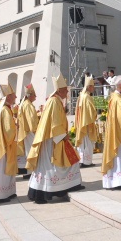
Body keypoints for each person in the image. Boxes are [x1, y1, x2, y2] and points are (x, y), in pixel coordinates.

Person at [26, 74, 84, 204]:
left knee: (54, 165)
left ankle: (47, 191)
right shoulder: (54, 102)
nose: (67, 92)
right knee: (55, 165)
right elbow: (55, 123)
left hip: (50, 137)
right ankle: (44, 193)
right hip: (52, 139)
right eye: (66, 90)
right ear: (60, 90)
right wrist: (63, 137)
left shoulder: (54, 100)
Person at [17, 85, 39, 179]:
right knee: (31, 151)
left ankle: (28, 172)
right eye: (34, 94)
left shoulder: (24, 103)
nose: (36, 96)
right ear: (30, 95)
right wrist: (36, 131)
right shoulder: (28, 105)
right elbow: (31, 120)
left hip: (25, 131)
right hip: (30, 132)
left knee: (28, 152)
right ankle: (30, 172)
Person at [74, 76, 97, 167]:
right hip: (87, 123)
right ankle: (86, 162)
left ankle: (82, 160)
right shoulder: (87, 97)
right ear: (88, 86)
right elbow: (91, 111)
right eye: (92, 86)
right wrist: (94, 115)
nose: (93, 88)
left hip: (82, 122)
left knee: (83, 143)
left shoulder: (81, 95)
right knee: (87, 143)